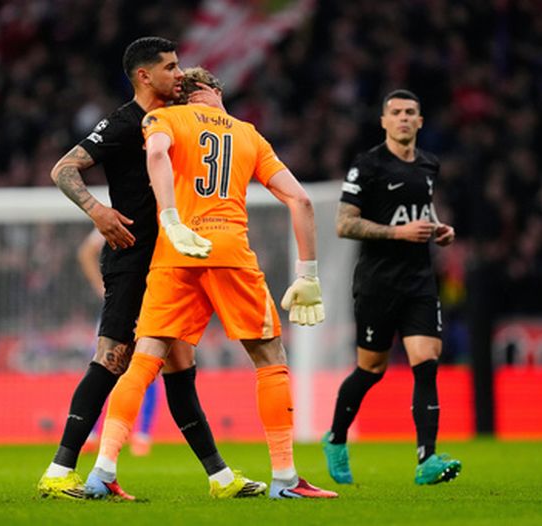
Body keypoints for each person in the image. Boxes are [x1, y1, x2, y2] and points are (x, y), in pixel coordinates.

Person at [84, 67, 337, 500]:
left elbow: (158, 155)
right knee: (269, 357)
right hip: (228, 251)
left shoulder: (165, 119)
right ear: (215, 90)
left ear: (181, 95)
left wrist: (170, 218)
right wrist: (308, 273)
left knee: (144, 360)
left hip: (174, 251)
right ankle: (284, 479)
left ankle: (102, 471)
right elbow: (300, 199)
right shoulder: (249, 135)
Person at [37, 37, 266, 500]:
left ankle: (220, 478)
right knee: (111, 358)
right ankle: (59, 470)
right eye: (170, 66)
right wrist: (97, 212)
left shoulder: (177, 118)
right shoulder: (124, 123)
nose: (179, 73)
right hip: (132, 258)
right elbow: (64, 168)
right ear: (144, 76)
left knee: (180, 364)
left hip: (172, 260)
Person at [321, 89, 462, 486]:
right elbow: (344, 224)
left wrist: (439, 229)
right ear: (383, 121)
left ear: (420, 121)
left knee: (426, 363)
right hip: (377, 283)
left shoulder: (430, 165)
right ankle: (335, 438)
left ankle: (427, 460)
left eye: (410, 113)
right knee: (372, 369)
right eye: (395, 112)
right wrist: (398, 232)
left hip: (419, 281)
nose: (403, 118)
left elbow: (421, 212)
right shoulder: (367, 165)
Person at [76, 229, 158, 457]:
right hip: (120, 301)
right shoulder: (117, 219)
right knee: (108, 363)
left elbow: (86, 252)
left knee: (146, 363)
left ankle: (141, 434)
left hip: (145, 301)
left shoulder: (150, 217)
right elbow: (86, 252)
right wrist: (101, 287)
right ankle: (93, 433)